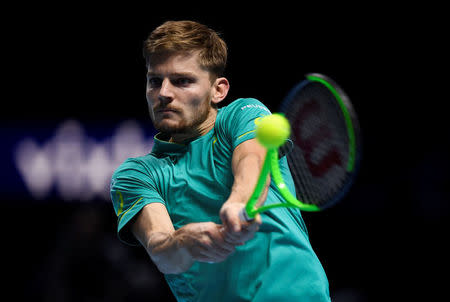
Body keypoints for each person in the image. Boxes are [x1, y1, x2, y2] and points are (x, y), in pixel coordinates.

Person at [110, 20, 331, 302]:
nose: (164, 93)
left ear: (219, 90)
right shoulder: (136, 174)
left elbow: (251, 159)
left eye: (182, 81)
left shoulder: (243, 114)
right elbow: (162, 250)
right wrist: (185, 242)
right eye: (155, 81)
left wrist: (239, 201)